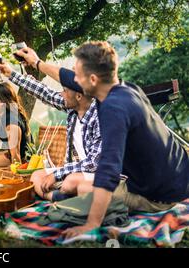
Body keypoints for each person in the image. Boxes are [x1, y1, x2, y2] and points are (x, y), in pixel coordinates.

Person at [62, 41, 189, 238]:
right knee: (77, 184)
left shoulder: (113, 109)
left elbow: (108, 170)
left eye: (77, 75)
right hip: (179, 176)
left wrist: (91, 224)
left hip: (161, 196)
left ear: (93, 79)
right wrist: (36, 63)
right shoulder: (128, 89)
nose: (74, 81)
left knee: (79, 189)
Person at [0, 48, 101, 202]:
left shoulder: (100, 116)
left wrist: (57, 174)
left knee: (71, 182)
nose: (61, 94)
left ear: (79, 95)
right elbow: (45, 93)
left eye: (65, 90)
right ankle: (55, 197)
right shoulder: (73, 107)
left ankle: (60, 196)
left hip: (99, 174)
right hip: (75, 172)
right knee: (37, 175)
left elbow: (93, 163)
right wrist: (11, 74)